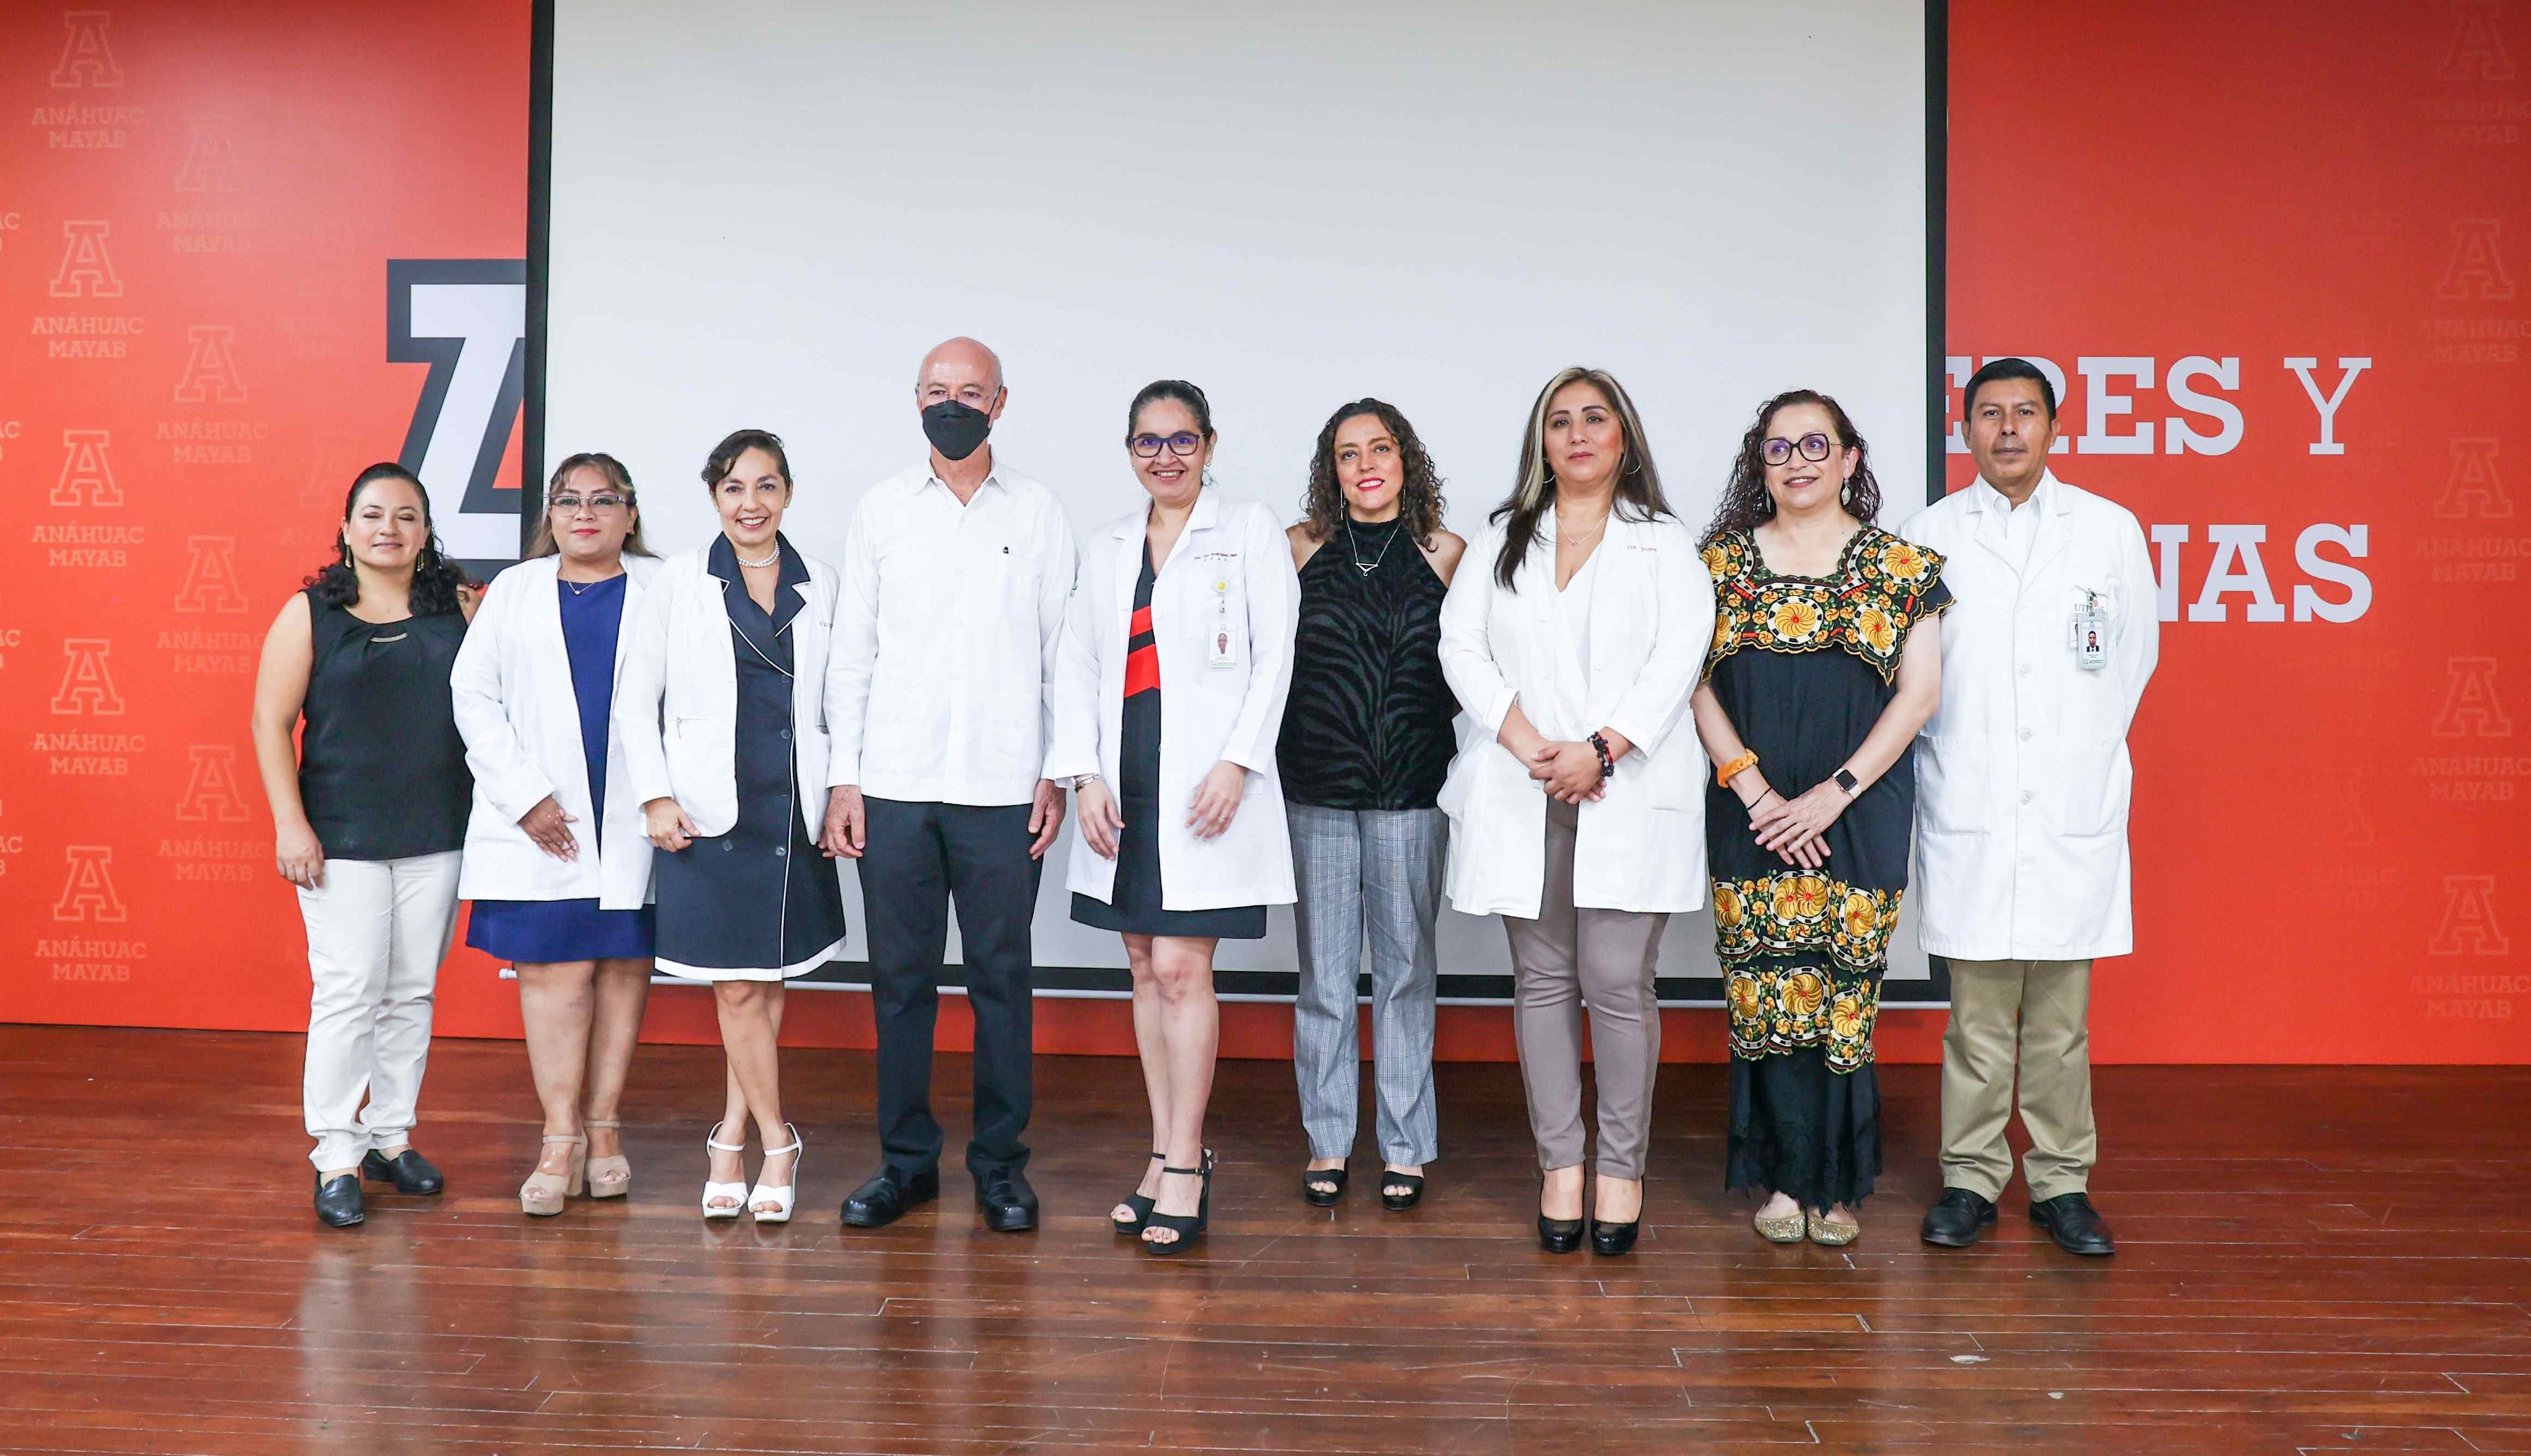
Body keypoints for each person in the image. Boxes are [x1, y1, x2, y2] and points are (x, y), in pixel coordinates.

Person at [1434, 366, 1711, 1258]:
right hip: (1527, 783)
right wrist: (1530, 747)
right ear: (1541, 442)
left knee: (1618, 985)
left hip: (1622, 784)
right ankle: (1560, 1165)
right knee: (1543, 983)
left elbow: (1679, 656)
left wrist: (1600, 749)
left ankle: (1621, 1169)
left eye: (1596, 419)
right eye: (1561, 422)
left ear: (1623, 436)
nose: (1579, 434)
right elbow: (1460, 645)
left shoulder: (1664, 542)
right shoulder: (1502, 537)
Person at [1903, 357, 2160, 1258]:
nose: (2007, 429)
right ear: (1965, 430)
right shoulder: (1928, 532)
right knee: (1974, 1019)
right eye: (1989, 414)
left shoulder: (2109, 529)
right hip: (1969, 796)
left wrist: (2074, 749)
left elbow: (2131, 661)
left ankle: (2061, 1183)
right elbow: (1913, 671)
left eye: (2025, 413)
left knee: (2058, 1021)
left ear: (2055, 427)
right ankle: (1970, 1177)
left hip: (2065, 800)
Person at [821, 338, 1077, 1234]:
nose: (953, 404)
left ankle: (1002, 1167)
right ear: (915, 400)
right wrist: (843, 778)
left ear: (1002, 402)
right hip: (894, 783)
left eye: (971, 392)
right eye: (937, 391)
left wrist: (1060, 771)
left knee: (1004, 979)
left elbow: (1063, 656)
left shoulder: (1040, 512)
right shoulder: (881, 511)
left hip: (1007, 787)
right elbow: (852, 652)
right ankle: (906, 1163)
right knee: (900, 980)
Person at [1690, 390, 1948, 1248]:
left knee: (1842, 997)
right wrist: (1757, 791)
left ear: (1850, 459)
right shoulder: (1715, 566)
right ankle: (1781, 1179)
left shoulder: (1903, 567)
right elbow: (1689, 684)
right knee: (1764, 993)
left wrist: (1831, 794)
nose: (1797, 460)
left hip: (1858, 810)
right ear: (1758, 465)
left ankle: (1838, 1185)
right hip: (1750, 813)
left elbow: (1919, 697)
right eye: (1777, 448)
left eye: (1815, 444)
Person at [1052, 379, 1299, 1255]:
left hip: (1207, 781)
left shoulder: (1250, 530)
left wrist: (1238, 762)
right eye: (1149, 442)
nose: (1166, 456)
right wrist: (1082, 775)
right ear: (1129, 452)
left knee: (1183, 968)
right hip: (1127, 776)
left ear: (1210, 444)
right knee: (1141, 965)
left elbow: (1276, 658)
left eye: (1182, 440)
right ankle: (1160, 1149)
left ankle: (1189, 1162)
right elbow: (1077, 668)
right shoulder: (1109, 543)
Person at [615, 429, 845, 1225]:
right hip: (707, 814)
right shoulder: (680, 579)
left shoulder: (822, 583)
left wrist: (842, 788)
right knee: (739, 987)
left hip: (790, 811)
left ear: (788, 494)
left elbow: (840, 698)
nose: (751, 504)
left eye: (767, 486)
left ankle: (732, 1135)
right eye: (735, 489)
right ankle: (777, 1142)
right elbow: (632, 697)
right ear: (714, 497)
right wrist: (653, 795)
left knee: (762, 986)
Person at [249, 462, 479, 1229]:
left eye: (407, 515)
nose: (390, 528)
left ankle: (390, 1135)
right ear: (346, 528)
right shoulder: (310, 612)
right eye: (373, 514)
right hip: (339, 834)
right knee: (348, 990)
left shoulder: (460, 608)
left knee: (411, 989)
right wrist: (292, 822)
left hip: (438, 829)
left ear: (425, 531)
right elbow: (269, 723)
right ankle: (336, 1154)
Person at [450, 453, 661, 1217]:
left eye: (604, 500)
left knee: (620, 969)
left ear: (629, 514)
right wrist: (525, 795)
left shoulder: (665, 588)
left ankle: (605, 1130)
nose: (585, 513)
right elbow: (471, 694)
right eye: (569, 500)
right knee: (555, 974)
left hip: (635, 809)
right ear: (551, 513)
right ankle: (559, 1136)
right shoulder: (514, 591)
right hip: (543, 817)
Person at [1280, 399, 1465, 1212]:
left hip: (1411, 793)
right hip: (1314, 790)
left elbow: (1473, 668)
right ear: (1332, 469)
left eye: (1380, 448)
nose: (1366, 465)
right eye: (1348, 453)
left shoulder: (1446, 553)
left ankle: (1405, 1144)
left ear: (1404, 458)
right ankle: (1327, 1140)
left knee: (1403, 974)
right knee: (1324, 976)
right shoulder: (1295, 550)